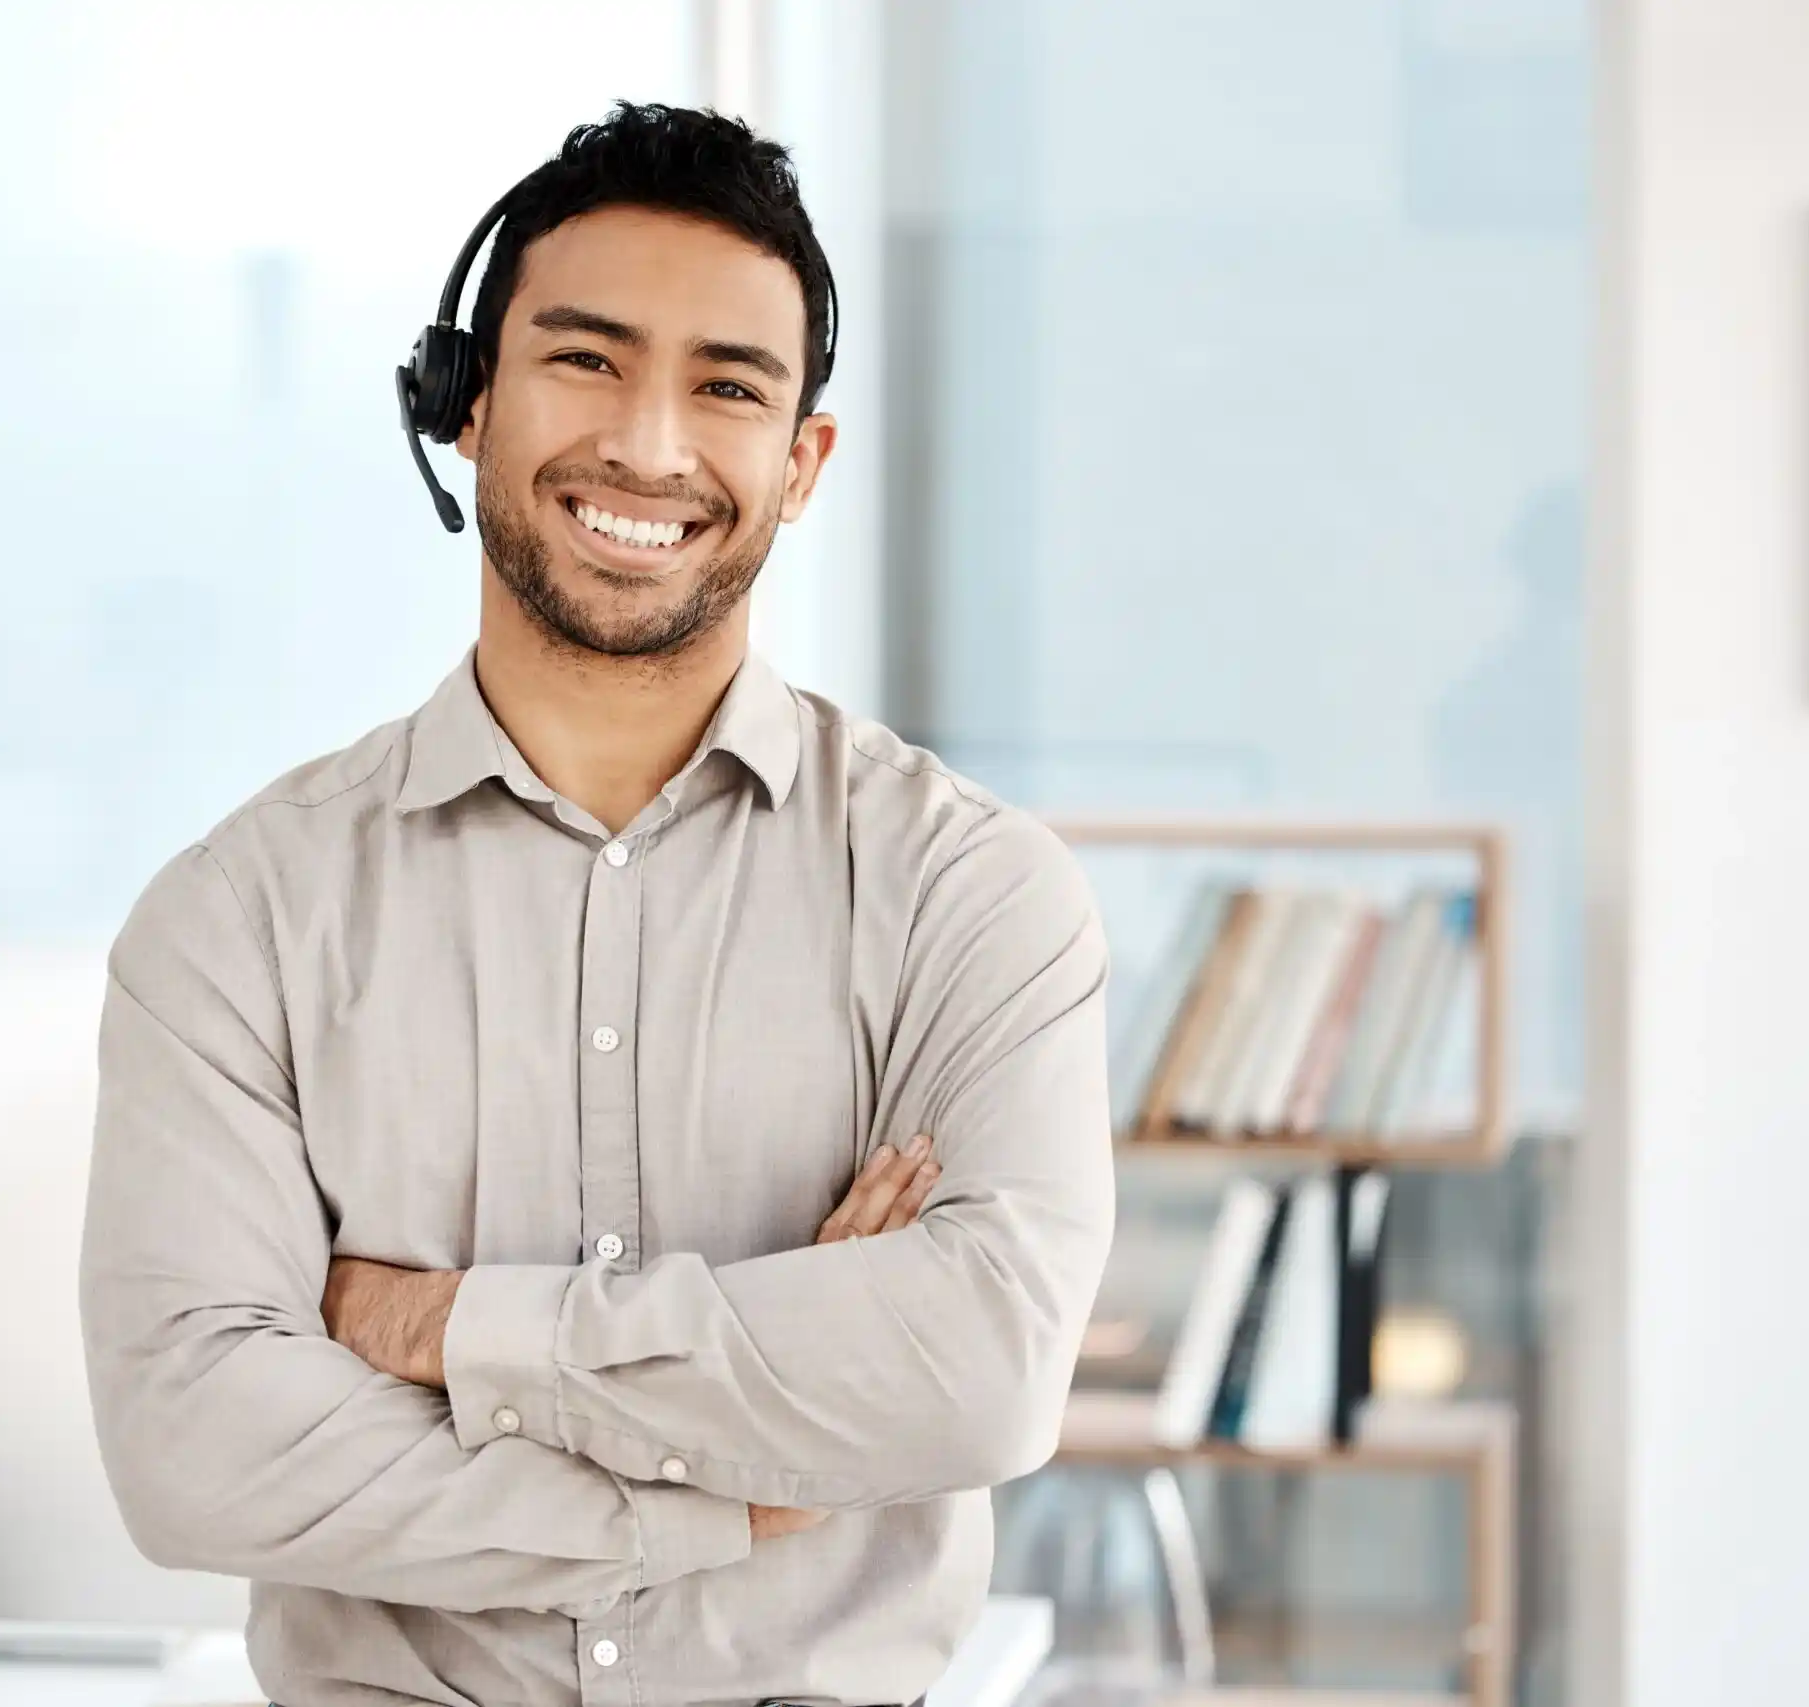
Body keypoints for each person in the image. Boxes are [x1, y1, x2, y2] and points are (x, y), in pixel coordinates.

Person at [81, 103, 1115, 1707]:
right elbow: (197, 1451)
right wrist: (730, 1492)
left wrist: (453, 1333)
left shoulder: (970, 894)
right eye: (586, 358)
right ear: (468, 406)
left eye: (727, 386)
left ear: (801, 461)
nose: (648, 445)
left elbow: (979, 1372)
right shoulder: (239, 918)